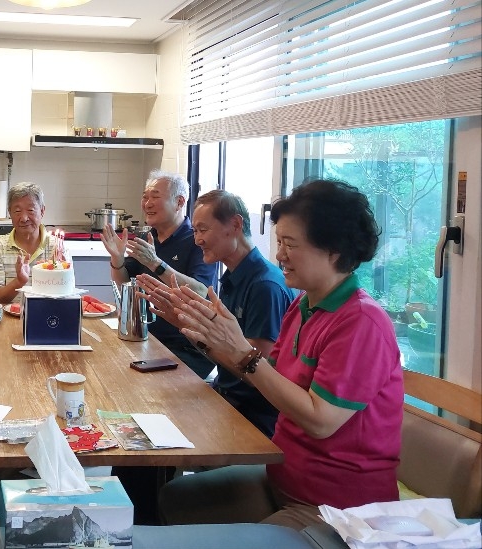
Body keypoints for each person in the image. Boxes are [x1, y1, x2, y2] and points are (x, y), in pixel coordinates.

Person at [141, 179, 403, 530]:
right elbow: (264, 378)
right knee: (173, 498)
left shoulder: (361, 322)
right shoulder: (303, 306)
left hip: (337, 510)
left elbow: (320, 421)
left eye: (290, 244)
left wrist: (241, 350)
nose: (279, 255)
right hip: (281, 478)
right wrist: (200, 333)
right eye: (279, 242)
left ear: (334, 250)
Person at [187, 190, 295, 437]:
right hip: (224, 397)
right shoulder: (234, 275)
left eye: (203, 230)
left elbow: (257, 374)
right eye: (194, 231)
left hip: (252, 416)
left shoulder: (265, 286)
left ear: (235, 225)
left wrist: (200, 335)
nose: (197, 240)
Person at [101, 170, 218, 378]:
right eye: (145, 197)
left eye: (155, 197)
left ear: (179, 202)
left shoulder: (197, 241)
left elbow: (201, 291)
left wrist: (156, 263)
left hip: (186, 347)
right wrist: (117, 260)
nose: (147, 204)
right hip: (146, 338)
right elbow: (125, 285)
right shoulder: (148, 237)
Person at [0, 182, 61, 304]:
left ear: (42, 211)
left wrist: (60, 277)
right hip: (7, 316)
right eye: (17, 211)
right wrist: (19, 282)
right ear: (9, 213)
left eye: (31, 210)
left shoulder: (57, 248)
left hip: (48, 313)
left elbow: (65, 297)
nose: (24, 218)